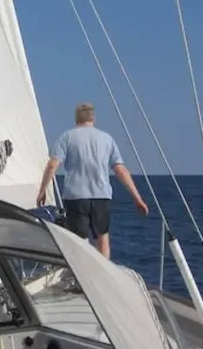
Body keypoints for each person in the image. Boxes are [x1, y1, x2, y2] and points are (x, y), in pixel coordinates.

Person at [36, 103, 148, 259]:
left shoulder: (67, 137)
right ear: (93, 118)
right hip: (101, 196)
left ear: (76, 119)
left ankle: (85, 276)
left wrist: (42, 191)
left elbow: (52, 165)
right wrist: (138, 198)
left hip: (76, 197)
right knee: (103, 238)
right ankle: (104, 275)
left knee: (80, 241)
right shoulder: (107, 139)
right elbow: (120, 170)